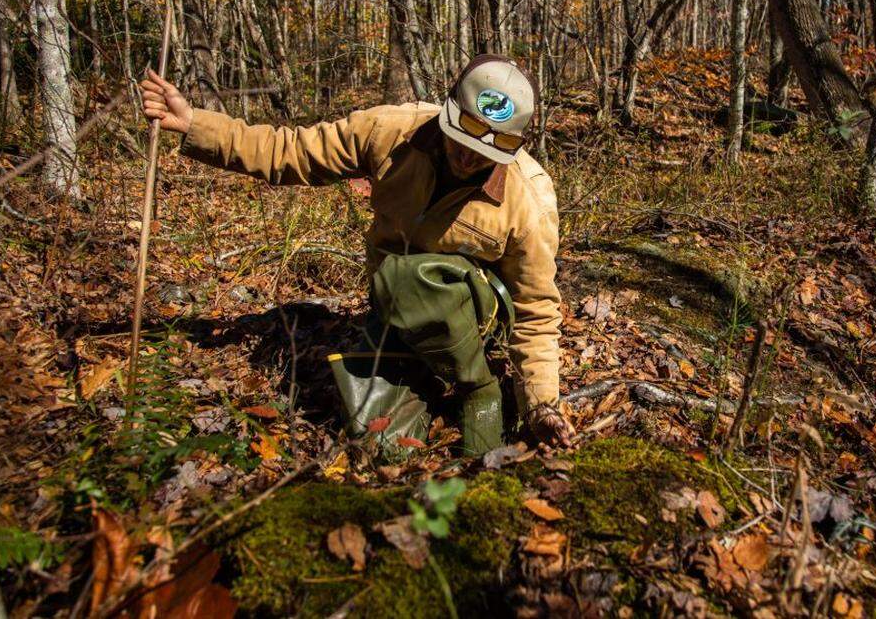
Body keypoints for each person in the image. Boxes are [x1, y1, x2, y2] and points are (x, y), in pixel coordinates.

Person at [140, 54, 572, 451]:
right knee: (379, 445)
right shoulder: (391, 132)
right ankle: (414, 368)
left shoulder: (529, 200)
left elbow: (535, 308)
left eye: (485, 152)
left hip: (474, 323)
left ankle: (477, 387)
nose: (466, 157)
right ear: (448, 110)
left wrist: (541, 406)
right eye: (462, 137)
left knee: (411, 277)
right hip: (396, 308)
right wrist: (195, 124)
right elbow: (290, 151)